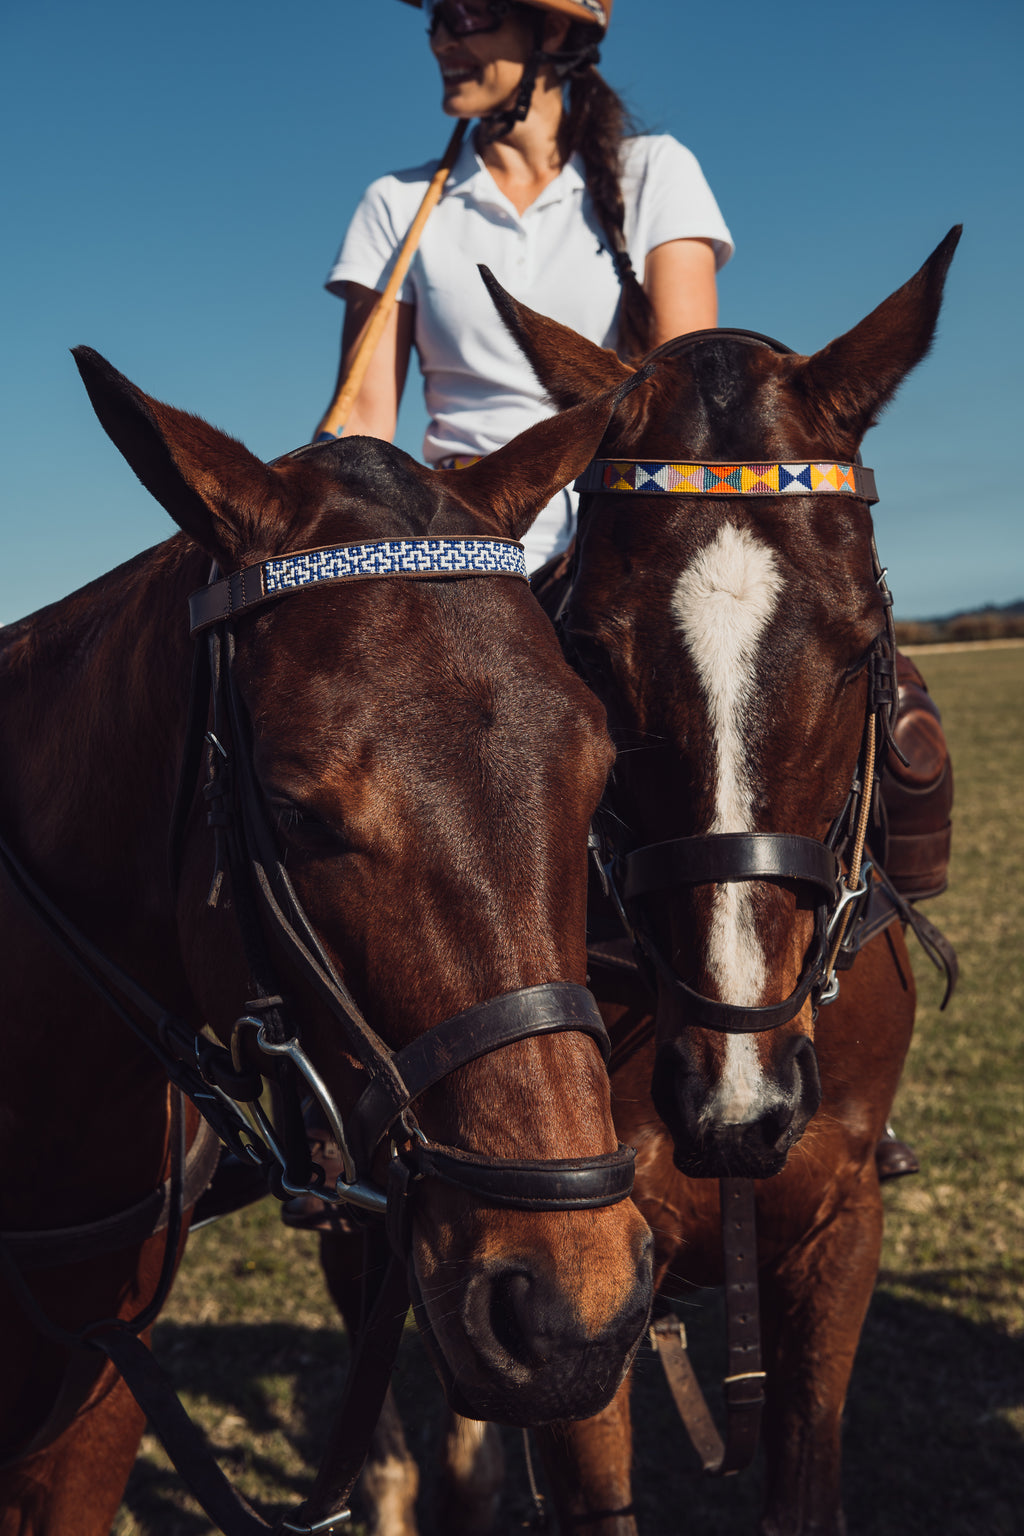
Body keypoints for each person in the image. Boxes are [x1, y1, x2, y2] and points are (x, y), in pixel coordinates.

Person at [314, 0, 733, 574]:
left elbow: (688, 407)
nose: (440, 42)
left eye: (466, 15)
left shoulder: (657, 172)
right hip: (460, 532)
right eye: (436, 20)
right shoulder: (395, 202)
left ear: (553, 29)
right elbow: (362, 420)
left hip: (616, 525)